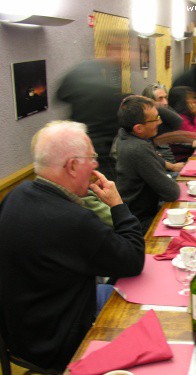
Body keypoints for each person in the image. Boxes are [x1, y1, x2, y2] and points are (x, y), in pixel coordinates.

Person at [0, 121, 145, 371]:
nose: (96, 164)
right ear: (73, 165)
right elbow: (133, 259)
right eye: (92, 158)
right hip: (58, 342)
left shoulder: (16, 195)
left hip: (19, 331)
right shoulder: (73, 220)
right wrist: (118, 205)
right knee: (140, 310)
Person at [56, 40, 127, 180]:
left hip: (83, 143)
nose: (123, 57)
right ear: (110, 51)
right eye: (120, 52)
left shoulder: (85, 69)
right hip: (98, 147)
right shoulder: (100, 82)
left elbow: (61, 95)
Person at [115, 95, 180, 233]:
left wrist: (171, 167)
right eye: (156, 119)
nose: (160, 121)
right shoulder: (138, 148)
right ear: (139, 128)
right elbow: (172, 192)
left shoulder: (125, 135)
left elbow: (153, 159)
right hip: (140, 221)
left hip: (134, 213)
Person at [141, 83, 185, 175]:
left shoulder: (163, 116)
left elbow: (178, 122)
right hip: (161, 171)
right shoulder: (145, 124)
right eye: (160, 99)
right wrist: (152, 105)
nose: (165, 102)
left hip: (169, 166)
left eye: (166, 97)